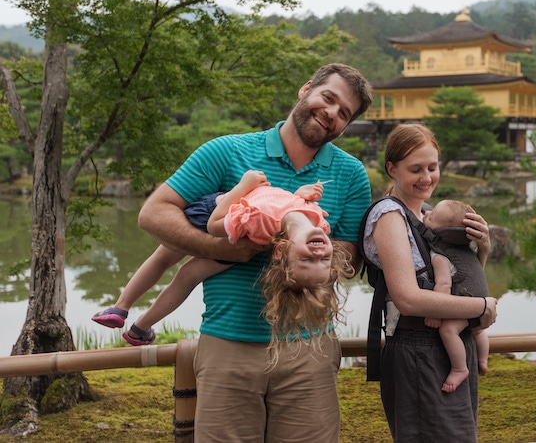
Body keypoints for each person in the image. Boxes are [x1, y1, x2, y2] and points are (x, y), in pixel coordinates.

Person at [137, 63, 373, 443]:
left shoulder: (351, 174)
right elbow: (154, 213)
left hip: (309, 349)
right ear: (305, 89)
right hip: (228, 347)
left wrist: (313, 255)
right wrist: (223, 248)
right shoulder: (227, 151)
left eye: (344, 113)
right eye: (328, 98)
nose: (331, 113)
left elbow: (351, 257)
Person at [92, 170, 348, 347]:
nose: (317, 255)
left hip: (215, 217)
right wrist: (301, 194)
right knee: (186, 276)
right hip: (240, 227)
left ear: (281, 251)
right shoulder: (318, 222)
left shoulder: (262, 219)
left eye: (306, 261)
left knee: (165, 261)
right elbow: (287, 210)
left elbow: (216, 225)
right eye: (323, 261)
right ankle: (138, 328)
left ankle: (122, 308)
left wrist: (243, 186)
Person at [360, 123, 498, 442]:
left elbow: (462, 278)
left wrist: (484, 248)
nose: (427, 178)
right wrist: (480, 308)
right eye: (415, 169)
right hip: (416, 350)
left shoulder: (431, 214)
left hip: (450, 348)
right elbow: (407, 299)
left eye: (432, 167)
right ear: (392, 168)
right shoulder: (389, 217)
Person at [422, 199, 490, 393]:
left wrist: (435, 313)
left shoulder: (440, 255)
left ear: (443, 233)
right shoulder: (467, 250)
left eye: (432, 217)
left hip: (466, 302)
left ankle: (460, 368)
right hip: (482, 300)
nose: (426, 214)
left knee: (448, 331)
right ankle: (483, 359)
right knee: (477, 330)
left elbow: (444, 284)